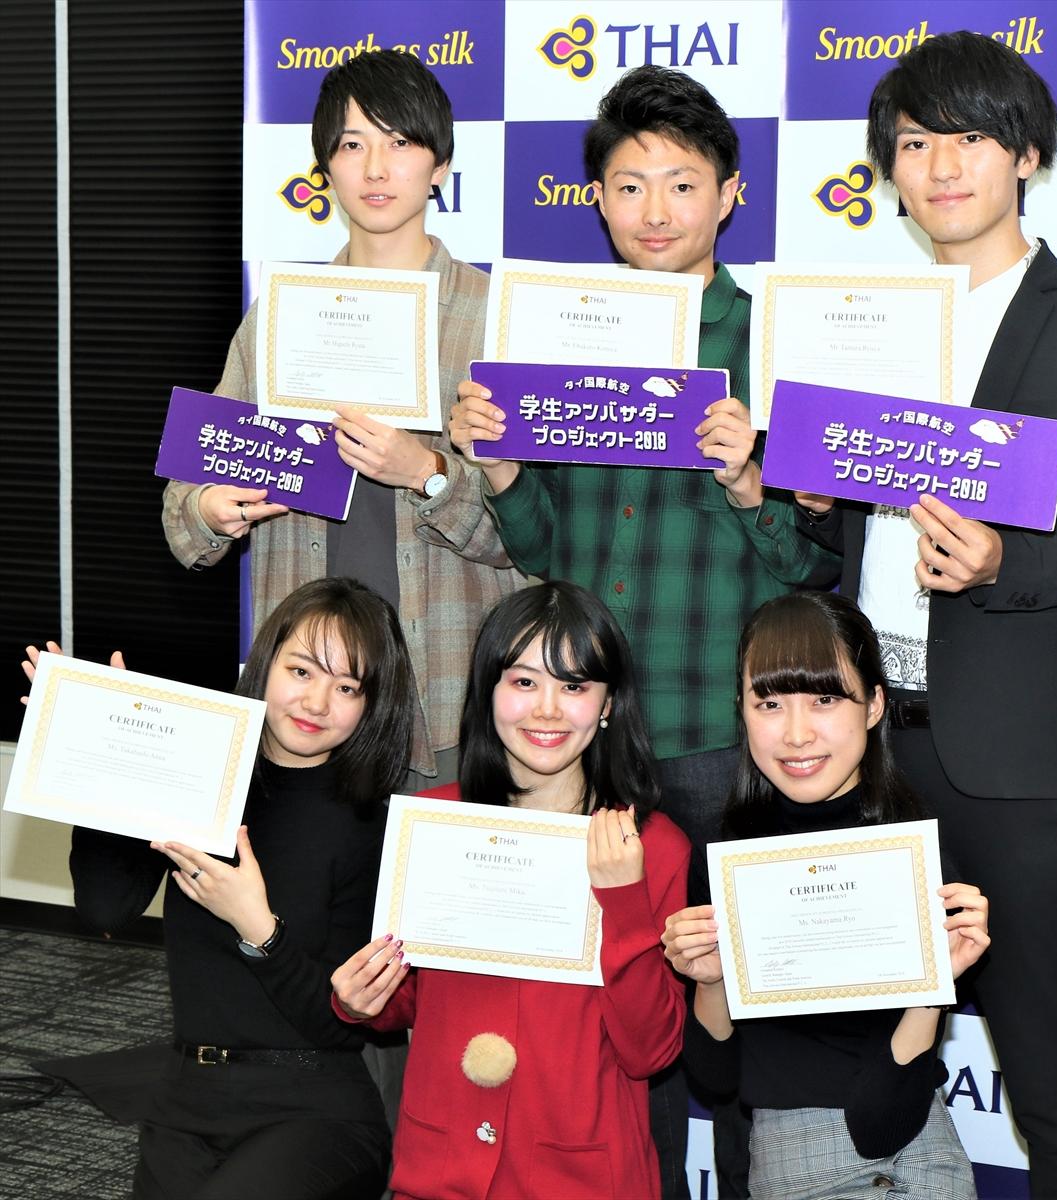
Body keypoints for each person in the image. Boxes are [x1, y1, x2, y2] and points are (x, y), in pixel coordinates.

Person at [790, 32, 1057, 1200]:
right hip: (864, 749)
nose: (942, 165)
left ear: (1025, 155)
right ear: (889, 168)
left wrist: (1008, 561)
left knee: (1050, 1072)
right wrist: (815, 501)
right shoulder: (861, 325)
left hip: (1012, 766)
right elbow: (842, 536)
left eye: (970, 137)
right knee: (855, 1046)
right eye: (916, 143)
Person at [450, 66, 837, 1194]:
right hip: (592, 741)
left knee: (738, 1012)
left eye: (681, 182)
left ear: (730, 194)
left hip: (722, 736)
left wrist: (752, 485)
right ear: (597, 200)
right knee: (623, 1016)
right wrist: (505, 471)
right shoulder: (558, 334)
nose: (655, 209)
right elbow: (543, 550)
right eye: (629, 185)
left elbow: (817, 571)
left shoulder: (779, 344)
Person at [162, 47, 524, 793]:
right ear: (325, 166)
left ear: (440, 166)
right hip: (306, 706)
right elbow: (183, 513)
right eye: (352, 145)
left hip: (444, 691)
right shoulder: (278, 317)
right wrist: (211, 508)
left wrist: (427, 474)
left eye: (400, 143)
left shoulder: (496, 323)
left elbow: (536, 537)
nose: (376, 168)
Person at [24, 577, 417, 1199]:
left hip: (314, 1109)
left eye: (347, 687)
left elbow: (345, 1025)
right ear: (266, 663)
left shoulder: (377, 824)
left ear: (372, 704)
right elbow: (105, 909)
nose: (317, 701)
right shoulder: (204, 774)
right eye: (301, 671)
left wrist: (257, 927)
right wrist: (104, 763)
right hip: (186, 1099)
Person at [331, 581, 691, 1200]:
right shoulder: (435, 823)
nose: (547, 710)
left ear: (608, 703)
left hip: (583, 1178)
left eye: (574, 687)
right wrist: (361, 999)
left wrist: (624, 903)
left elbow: (650, 1052)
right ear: (489, 692)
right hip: (440, 1169)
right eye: (524, 681)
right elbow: (407, 1002)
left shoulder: (652, 846)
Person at [663, 591, 989, 1200]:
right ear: (742, 711)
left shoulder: (915, 854)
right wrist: (710, 980)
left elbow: (884, 1123)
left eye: (825, 699)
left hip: (908, 1161)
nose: (796, 733)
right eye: (770, 703)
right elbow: (715, 1078)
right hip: (784, 1167)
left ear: (874, 705)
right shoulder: (730, 859)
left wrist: (932, 988)